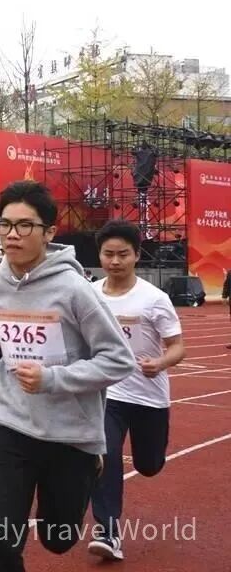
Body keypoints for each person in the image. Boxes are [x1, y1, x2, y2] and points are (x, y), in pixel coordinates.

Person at [0, 180, 134, 572]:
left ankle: (91, 467)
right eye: (5, 225)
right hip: (12, 424)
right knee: (1, 543)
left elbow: (119, 360)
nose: (12, 235)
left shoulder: (76, 291)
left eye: (25, 226)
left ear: (49, 233)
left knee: (57, 539)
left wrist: (52, 379)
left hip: (69, 434)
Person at [88, 220, 186, 561]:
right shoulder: (90, 295)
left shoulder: (154, 298)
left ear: (136, 255)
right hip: (107, 395)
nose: (115, 262)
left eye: (122, 255)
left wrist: (159, 363)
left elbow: (177, 347)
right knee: (105, 455)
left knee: (149, 464)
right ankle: (108, 532)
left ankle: (151, 458)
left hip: (148, 396)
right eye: (108, 254)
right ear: (99, 255)